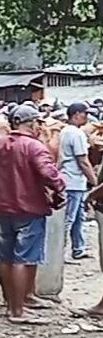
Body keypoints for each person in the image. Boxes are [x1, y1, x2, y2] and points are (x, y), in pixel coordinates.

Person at [0, 104, 66, 325]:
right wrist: (60, 185)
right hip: (29, 208)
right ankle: (18, 309)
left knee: (5, 257)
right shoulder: (34, 146)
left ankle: (13, 300)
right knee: (24, 258)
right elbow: (48, 172)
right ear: (31, 123)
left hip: (4, 207)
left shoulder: (0, 144)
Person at [58, 102, 97, 261]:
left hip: (72, 180)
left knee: (78, 218)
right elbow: (83, 160)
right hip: (73, 181)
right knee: (69, 219)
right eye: (84, 114)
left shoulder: (66, 131)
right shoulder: (76, 134)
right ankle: (60, 254)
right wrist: (94, 181)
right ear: (76, 114)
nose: (87, 117)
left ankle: (78, 249)